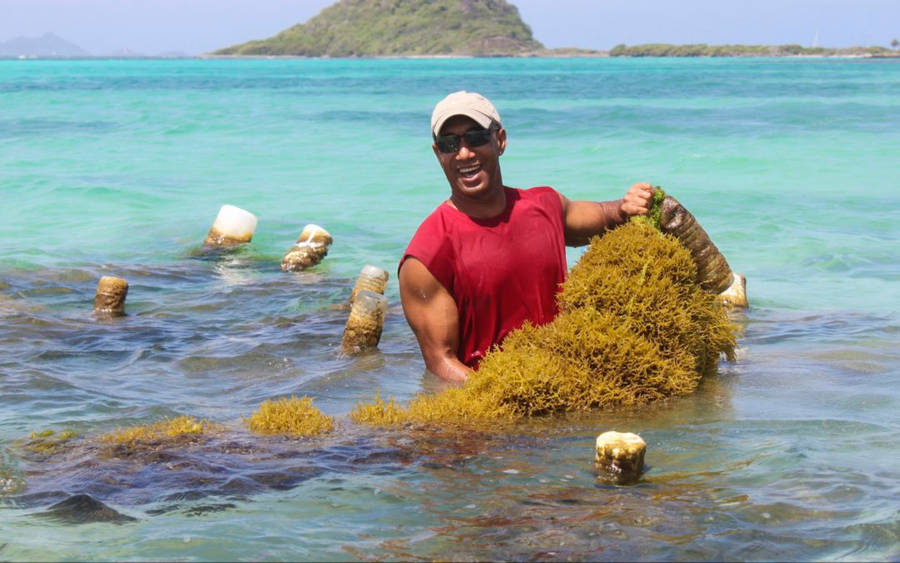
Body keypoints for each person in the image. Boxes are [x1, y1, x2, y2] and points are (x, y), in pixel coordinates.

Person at [399, 91, 653, 383]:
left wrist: (629, 205)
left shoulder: (546, 206)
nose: (464, 153)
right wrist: (507, 395)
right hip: (496, 401)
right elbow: (442, 362)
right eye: (450, 143)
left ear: (500, 140)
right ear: (438, 153)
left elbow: (608, 215)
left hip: (568, 385)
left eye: (476, 137)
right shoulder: (427, 257)